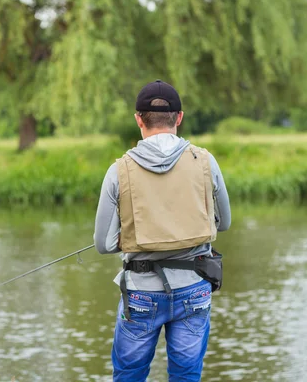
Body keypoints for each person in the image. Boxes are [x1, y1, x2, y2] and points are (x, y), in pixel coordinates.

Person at [93, 80, 231, 382]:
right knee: (186, 377)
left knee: (129, 376)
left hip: (141, 292)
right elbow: (225, 222)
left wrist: (134, 236)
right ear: (178, 118)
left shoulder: (119, 169)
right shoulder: (206, 161)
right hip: (194, 288)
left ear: (138, 119)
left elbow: (102, 244)